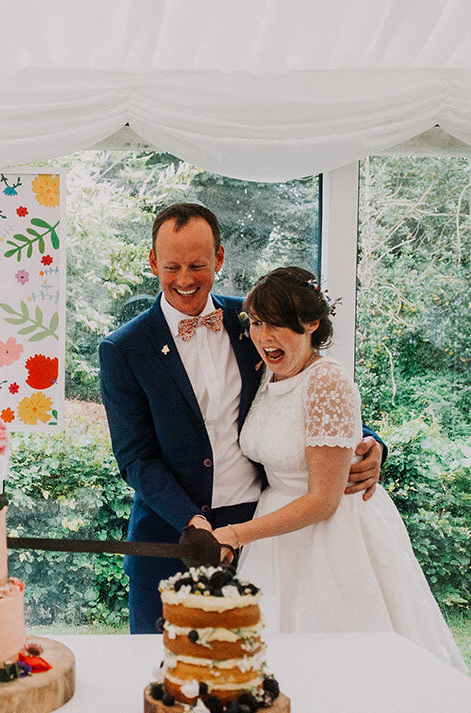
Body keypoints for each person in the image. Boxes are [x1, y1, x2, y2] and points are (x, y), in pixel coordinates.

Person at [99, 203, 385, 634]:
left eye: (197, 265)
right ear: (153, 262)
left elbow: (306, 381)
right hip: (171, 537)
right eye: (172, 266)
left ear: (219, 258)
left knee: (253, 674)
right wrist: (193, 522)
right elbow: (136, 457)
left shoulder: (253, 320)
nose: (184, 279)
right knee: (165, 676)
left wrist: (369, 441)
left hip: (263, 539)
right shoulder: (124, 348)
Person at [211, 266, 465, 669]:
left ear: (311, 323)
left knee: (342, 663)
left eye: (278, 324)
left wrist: (236, 535)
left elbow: (324, 501)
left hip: (330, 535)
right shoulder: (269, 374)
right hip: (276, 534)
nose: (264, 336)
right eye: (257, 323)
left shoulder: (326, 381)